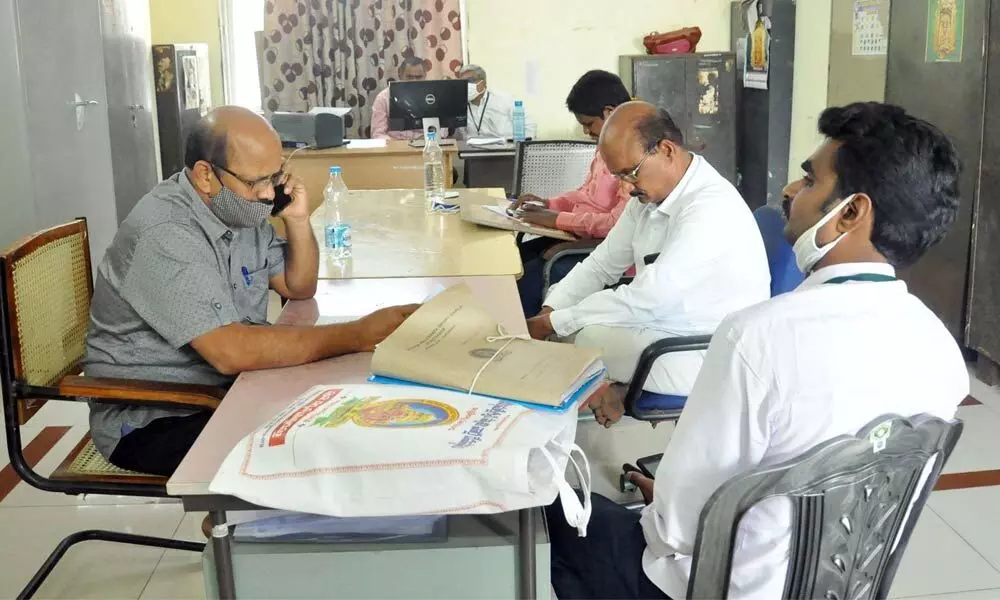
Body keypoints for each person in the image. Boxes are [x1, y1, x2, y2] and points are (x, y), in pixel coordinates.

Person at [546, 102, 969, 599]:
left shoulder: (756, 339)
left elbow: (679, 528)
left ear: (851, 212)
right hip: (834, 586)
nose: (790, 191)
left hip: (710, 585)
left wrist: (664, 506)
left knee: (550, 515)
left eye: (810, 182)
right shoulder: (941, 353)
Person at [84, 106, 418, 477]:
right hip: (158, 416)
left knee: (352, 418)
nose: (268, 193)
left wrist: (298, 220)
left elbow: (298, 287)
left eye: (275, 175)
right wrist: (357, 334)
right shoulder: (166, 231)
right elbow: (230, 352)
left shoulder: (239, 207)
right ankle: (233, 530)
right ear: (205, 176)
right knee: (317, 450)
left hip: (227, 390)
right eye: (257, 181)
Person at [527, 101, 770, 425]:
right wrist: (551, 309)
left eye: (630, 173)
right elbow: (602, 263)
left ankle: (609, 395)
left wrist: (556, 323)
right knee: (574, 327)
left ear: (666, 150)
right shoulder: (649, 196)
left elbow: (649, 296)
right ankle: (612, 392)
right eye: (618, 177)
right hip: (667, 324)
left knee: (584, 339)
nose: (625, 188)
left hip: (709, 351)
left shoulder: (710, 209)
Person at [513, 70, 633, 316]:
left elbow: (617, 225)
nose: (586, 132)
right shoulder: (605, 146)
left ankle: (524, 334)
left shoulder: (631, 154)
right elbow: (586, 194)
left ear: (609, 113)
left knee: (531, 277)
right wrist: (550, 204)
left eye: (589, 124)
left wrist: (557, 219)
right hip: (583, 237)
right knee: (517, 259)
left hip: (607, 249)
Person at [370, 56, 451, 140]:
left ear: (425, 76)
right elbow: (377, 135)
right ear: (400, 75)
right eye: (409, 77)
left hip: (427, 145)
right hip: (396, 149)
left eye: (419, 77)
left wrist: (427, 139)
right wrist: (402, 146)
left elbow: (443, 131)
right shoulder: (383, 98)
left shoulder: (433, 97)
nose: (414, 81)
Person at [457, 64, 517, 139]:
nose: (466, 85)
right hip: (472, 149)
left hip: (503, 148)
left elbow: (528, 126)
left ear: (484, 83)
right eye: (462, 82)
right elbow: (459, 138)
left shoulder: (504, 99)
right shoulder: (459, 106)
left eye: (471, 80)